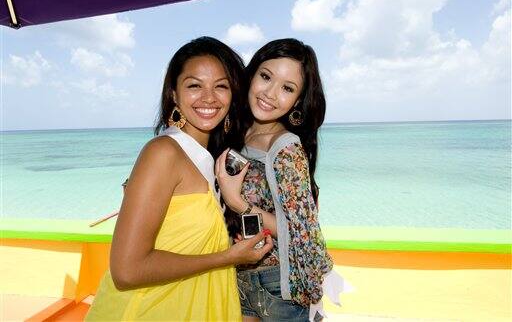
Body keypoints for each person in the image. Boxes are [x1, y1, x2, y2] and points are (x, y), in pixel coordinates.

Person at [86, 37, 273, 321]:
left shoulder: (210, 160)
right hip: (153, 309)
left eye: (220, 86)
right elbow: (126, 270)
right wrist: (229, 257)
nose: (208, 98)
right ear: (174, 93)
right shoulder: (162, 152)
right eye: (195, 85)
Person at [216, 38, 344, 322]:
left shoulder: (285, 147)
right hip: (240, 276)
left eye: (287, 88)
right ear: (251, 76)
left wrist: (237, 202)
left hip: (277, 284)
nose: (271, 94)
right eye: (266, 77)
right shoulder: (239, 132)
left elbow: (300, 231)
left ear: (298, 100)